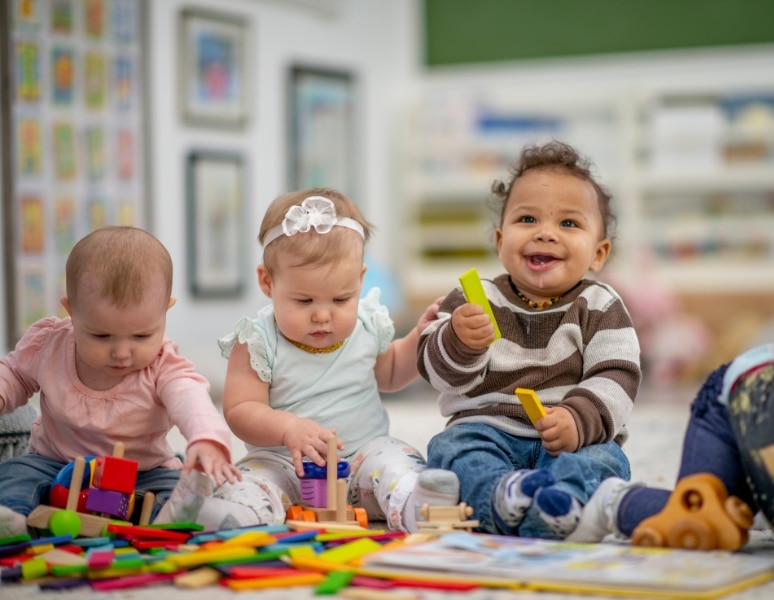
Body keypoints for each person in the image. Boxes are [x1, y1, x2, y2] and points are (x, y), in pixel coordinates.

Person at [158, 189, 459, 532]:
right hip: (283, 463)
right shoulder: (257, 339)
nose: (322, 315)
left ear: (360, 280)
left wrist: (420, 334)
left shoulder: (367, 323)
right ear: (267, 282)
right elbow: (240, 411)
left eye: (340, 299)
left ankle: (416, 504)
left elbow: (390, 373)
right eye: (303, 301)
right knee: (253, 482)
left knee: (395, 457)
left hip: (360, 461)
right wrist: (287, 428)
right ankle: (228, 513)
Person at [418, 140, 642, 539]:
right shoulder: (474, 298)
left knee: (606, 459)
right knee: (451, 449)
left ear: (599, 253)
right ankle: (500, 497)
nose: (545, 234)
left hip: (572, 441)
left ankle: (562, 503)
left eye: (568, 224)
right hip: (487, 429)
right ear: (500, 240)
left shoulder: (600, 305)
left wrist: (579, 418)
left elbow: (618, 374)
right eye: (527, 220)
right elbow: (434, 371)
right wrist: (458, 341)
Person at [0, 226, 241, 537]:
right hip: (53, 461)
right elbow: (15, 373)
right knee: (13, 474)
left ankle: (171, 517)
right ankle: (13, 519)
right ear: (71, 312)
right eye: (101, 335)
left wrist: (206, 437)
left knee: (174, 486)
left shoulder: (162, 364)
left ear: (165, 310)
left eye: (142, 336)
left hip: (142, 471)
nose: (122, 352)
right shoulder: (49, 345)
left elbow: (189, 396)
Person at [568, 342, 774, 548]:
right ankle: (611, 502)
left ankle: (756, 502)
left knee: (720, 516)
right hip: (736, 401)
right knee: (695, 512)